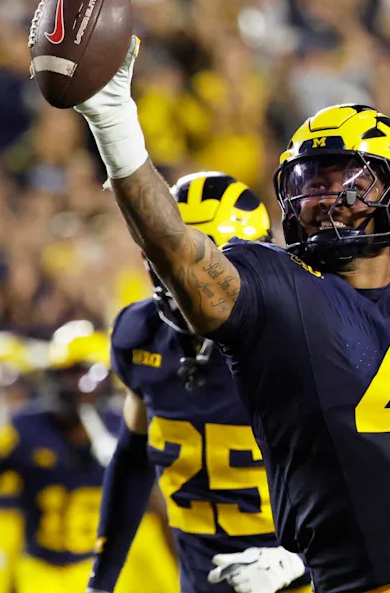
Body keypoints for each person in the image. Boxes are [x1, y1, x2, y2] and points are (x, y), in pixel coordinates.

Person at [64, 34, 390, 592]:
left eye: (349, 183)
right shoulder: (276, 287)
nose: (324, 199)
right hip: (346, 580)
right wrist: (115, 125)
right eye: (309, 184)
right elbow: (176, 251)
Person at [87, 171, 310, 593]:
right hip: (201, 582)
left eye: (200, 261)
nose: (183, 277)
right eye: (169, 257)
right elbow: (134, 459)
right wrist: (102, 580)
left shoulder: (293, 340)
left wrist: (300, 561)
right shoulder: (141, 334)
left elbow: (362, 477)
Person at [0, 321, 178, 593]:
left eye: (83, 375)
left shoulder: (123, 427)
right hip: (40, 565)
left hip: (94, 563)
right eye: (64, 374)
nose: (75, 386)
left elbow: (155, 500)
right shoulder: (22, 428)